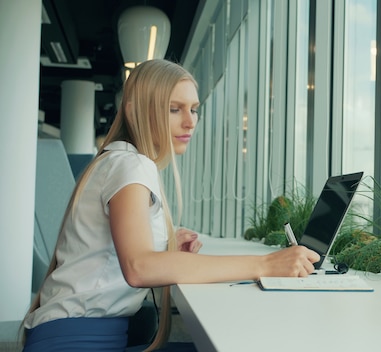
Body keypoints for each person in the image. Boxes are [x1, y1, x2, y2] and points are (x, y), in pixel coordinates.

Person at [21, 59, 320, 351]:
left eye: (193, 109)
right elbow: (139, 267)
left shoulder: (117, 159)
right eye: (174, 109)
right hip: (77, 341)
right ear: (135, 111)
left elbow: (115, 253)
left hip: (74, 333)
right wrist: (266, 264)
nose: (190, 121)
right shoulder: (131, 164)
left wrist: (164, 244)